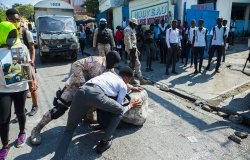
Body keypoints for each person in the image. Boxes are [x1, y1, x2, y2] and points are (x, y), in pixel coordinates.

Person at [30, 51, 142, 145]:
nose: (114, 67)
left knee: (99, 100)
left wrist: (132, 87)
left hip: (89, 92)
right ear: (110, 60)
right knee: (58, 110)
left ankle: (88, 117)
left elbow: (117, 79)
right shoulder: (95, 60)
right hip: (74, 88)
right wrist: (83, 80)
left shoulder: (109, 68)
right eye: (114, 64)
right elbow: (76, 64)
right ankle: (37, 129)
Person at [52, 66, 142, 159]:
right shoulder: (123, 85)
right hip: (96, 94)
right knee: (119, 111)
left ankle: (57, 158)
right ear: (127, 77)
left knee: (69, 130)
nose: (128, 83)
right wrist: (131, 105)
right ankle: (105, 140)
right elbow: (119, 108)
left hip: (81, 92)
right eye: (129, 80)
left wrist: (130, 88)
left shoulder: (108, 74)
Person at [0, 21, 37, 160]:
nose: (11, 37)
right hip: (3, 90)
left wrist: (32, 82)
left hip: (21, 88)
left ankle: (22, 132)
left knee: (20, 112)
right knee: (3, 119)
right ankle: (4, 145)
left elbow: (25, 67)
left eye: (13, 33)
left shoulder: (20, 47)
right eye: (8, 34)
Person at [6, 8, 38, 116]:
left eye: (17, 20)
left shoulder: (25, 32)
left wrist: (32, 62)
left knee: (32, 85)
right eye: (12, 20)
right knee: (17, 86)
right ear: (7, 20)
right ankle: (21, 109)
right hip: (14, 63)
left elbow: (32, 48)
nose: (15, 22)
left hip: (25, 62)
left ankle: (35, 106)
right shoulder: (6, 33)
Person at [124, 18, 150, 85]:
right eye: (134, 24)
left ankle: (133, 79)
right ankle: (139, 79)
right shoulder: (127, 29)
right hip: (131, 50)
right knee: (134, 64)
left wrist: (137, 50)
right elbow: (128, 40)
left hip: (134, 49)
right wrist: (131, 50)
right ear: (131, 23)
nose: (135, 25)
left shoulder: (132, 29)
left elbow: (134, 41)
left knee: (134, 65)